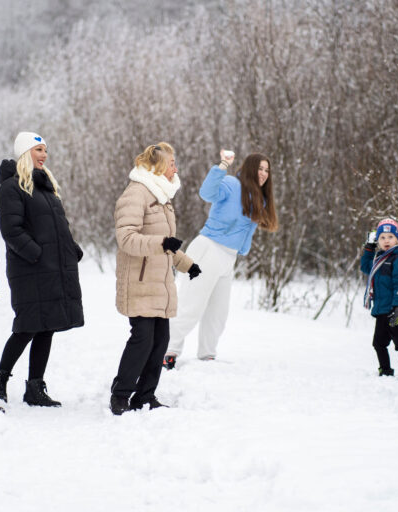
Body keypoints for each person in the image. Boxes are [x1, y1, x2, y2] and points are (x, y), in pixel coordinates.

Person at [0, 132, 84, 407]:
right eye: (38, 149)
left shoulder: (45, 187)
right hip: (30, 269)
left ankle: (35, 387)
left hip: (51, 268)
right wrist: (37, 254)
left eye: (45, 150)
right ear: (25, 153)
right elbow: (11, 230)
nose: (44, 155)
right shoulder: (11, 187)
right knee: (27, 326)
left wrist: (71, 248)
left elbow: (58, 227)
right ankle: (0, 378)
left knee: (47, 326)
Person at [164, 150, 278, 368]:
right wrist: (223, 165)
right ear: (250, 169)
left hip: (228, 257)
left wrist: (242, 249)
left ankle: (207, 354)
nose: (264, 173)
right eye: (260, 168)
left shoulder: (260, 199)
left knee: (218, 312)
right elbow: (207, 193)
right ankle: (167, 351)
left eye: (267, 170)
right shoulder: (231, 184)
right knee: (192, 305)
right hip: (209, 248)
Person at [109, 143, 199, 415]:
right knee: (142, 340)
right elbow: (126, 238)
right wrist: (162, 243)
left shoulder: (162, 196)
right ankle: (120, 395)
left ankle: (145, 396)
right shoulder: (136, 193)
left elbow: (166, 245)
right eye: (171, 163)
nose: (176, 169)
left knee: (160, 342)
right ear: (158, 166)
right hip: (139, 282)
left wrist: (188, 265)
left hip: (159, 284)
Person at [360, 218, 398, 380]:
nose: (386, 241)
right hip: (382, 309)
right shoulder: (379, 259)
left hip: (396, 309)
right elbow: (365, 267)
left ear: (397, 239)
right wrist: (369, 249)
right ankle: (385, 369)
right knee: (379, 343)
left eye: (390, 237)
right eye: (382, 237)